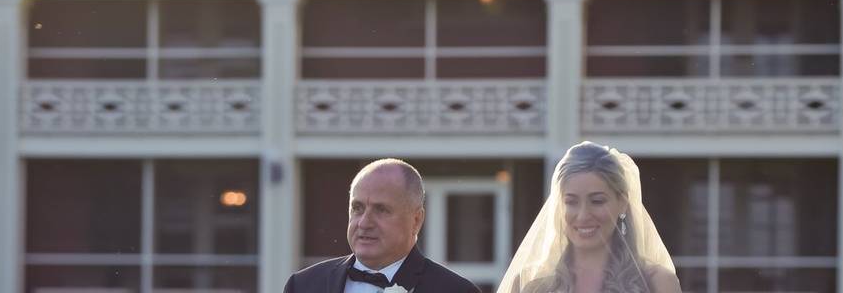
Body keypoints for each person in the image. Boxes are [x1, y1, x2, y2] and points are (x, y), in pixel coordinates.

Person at [497, 142, 681, 293]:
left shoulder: (658, 283)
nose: (583, 215)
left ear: (622, 202)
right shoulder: (531, 285)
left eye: (597, 201)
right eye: (571, 202)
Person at [283, 158, 481, 293]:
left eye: (381, 210)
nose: (364, 222)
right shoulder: (303, 285)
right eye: (357, 208)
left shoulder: (454, 290)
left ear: (416, 220)